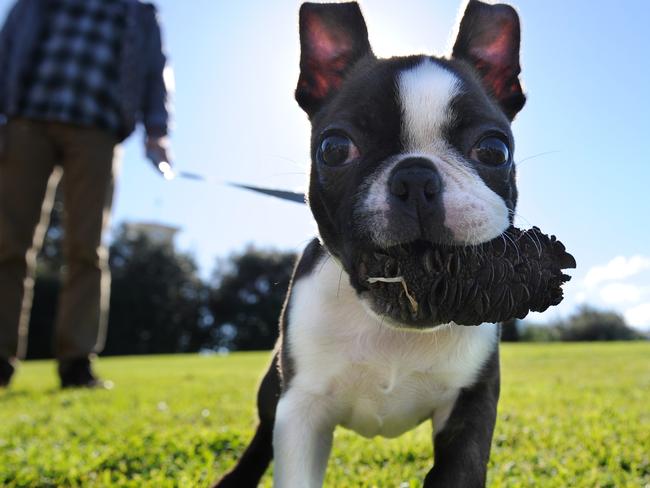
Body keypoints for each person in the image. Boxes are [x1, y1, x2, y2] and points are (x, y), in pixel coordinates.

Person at [0, 0, 173, 388]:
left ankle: (76, 360)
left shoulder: (140, 12)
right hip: (27, 121)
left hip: (98, 130)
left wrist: (157, 131)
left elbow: (154, 71)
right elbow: (7, 44)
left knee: (87, 248)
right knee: (8, 243)